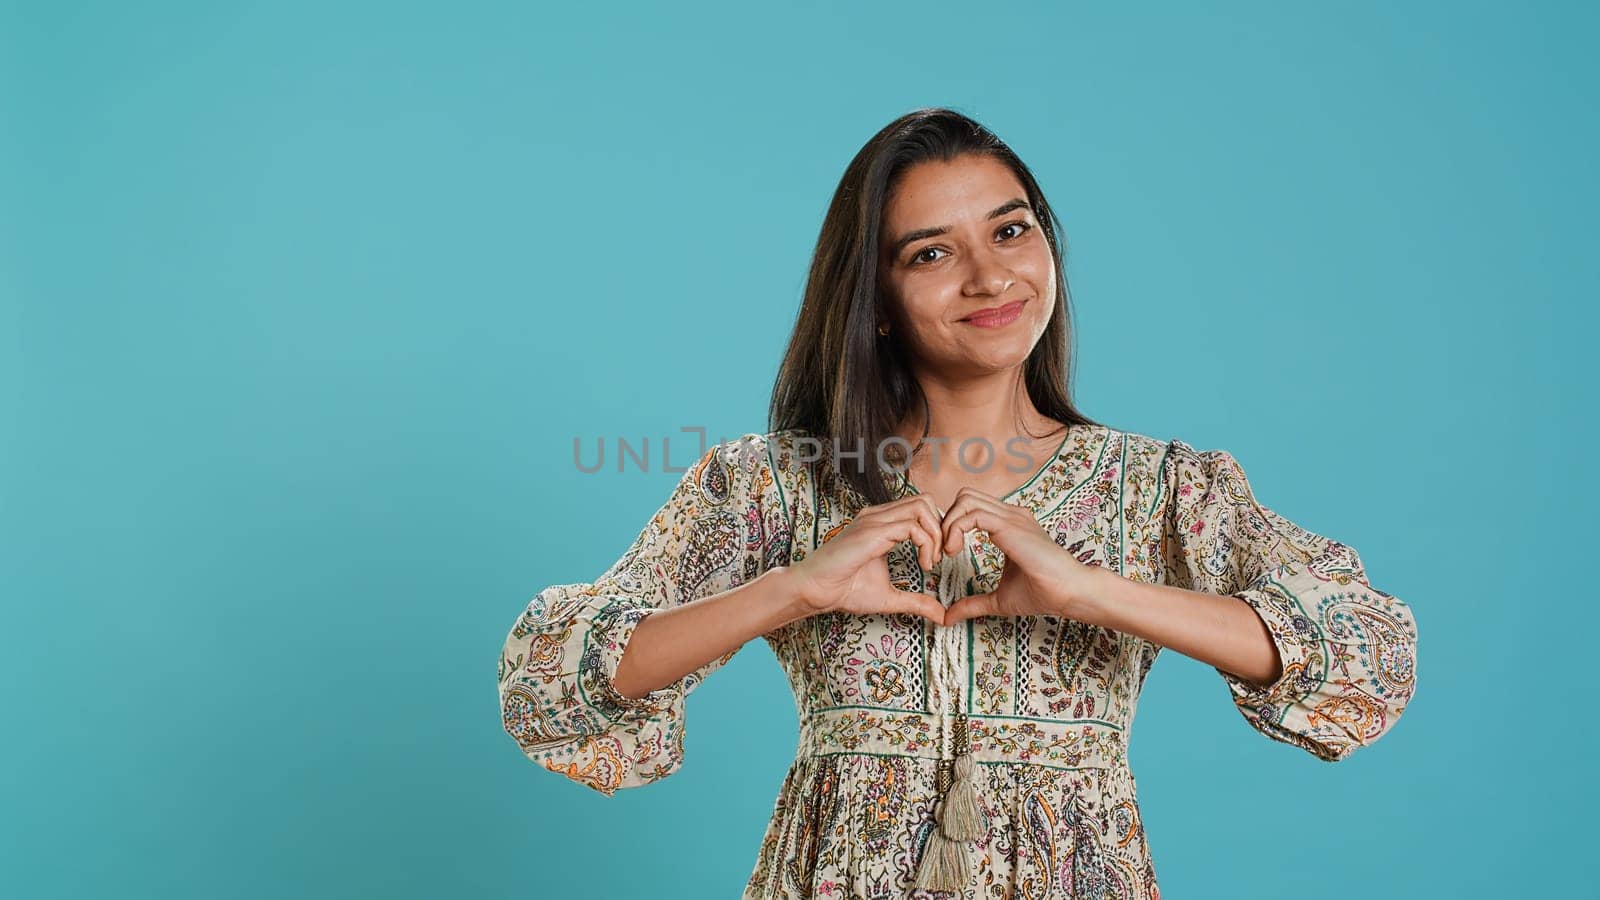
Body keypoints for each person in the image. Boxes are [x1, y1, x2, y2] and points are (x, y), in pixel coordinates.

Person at [496, 107, 1419, 899]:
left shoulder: (1168, 488)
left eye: (1011, 231)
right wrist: (792, 591)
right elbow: (552, 684)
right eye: (932, 252)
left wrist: (1090, 590)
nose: (990, 277)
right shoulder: (771, 483)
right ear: (879, 300)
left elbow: (1365, 658)